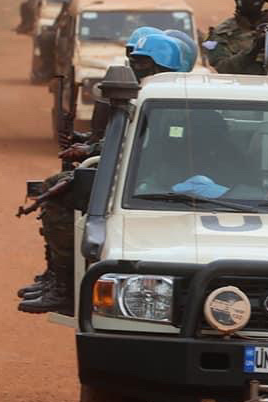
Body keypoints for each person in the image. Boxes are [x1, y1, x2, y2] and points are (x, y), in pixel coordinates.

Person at [18, 33, 184, 314]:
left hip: (155, 182)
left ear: (162, 67)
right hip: (138, 174)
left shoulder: (171, 103)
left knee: (60, 196)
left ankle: (65, 287)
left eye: (141, 62)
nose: (134, 67)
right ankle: (58, 278)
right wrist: (89, 144)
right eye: (133, 60)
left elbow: (146, 144)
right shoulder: (145, 97)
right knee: (56, 189)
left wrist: (90, 149)